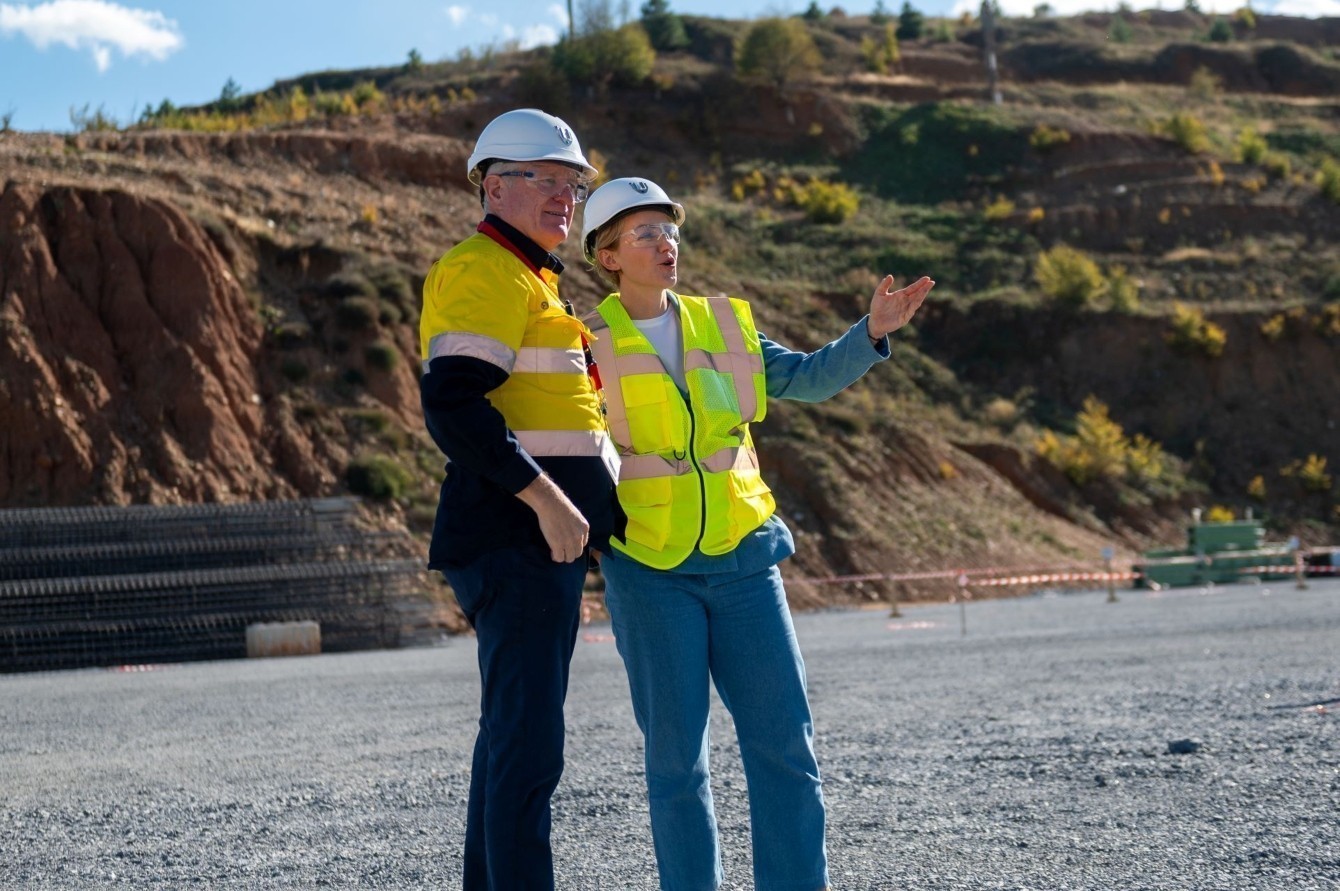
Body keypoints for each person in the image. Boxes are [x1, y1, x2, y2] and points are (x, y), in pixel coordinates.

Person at [579, 177, 934, 891]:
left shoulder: (722, 323)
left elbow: (804, 377)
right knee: (678, 764)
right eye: (645, 233)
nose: (666, 243)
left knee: (786, 750)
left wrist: (868, 336)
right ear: (609, 256)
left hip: (746, 562)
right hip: (649, 571)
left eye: (670, 230)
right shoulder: (586, 342)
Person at [418, 108, 616, 891]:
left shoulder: (531, 277)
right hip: (517, 538)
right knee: (530, 752)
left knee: (511, 743)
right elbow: (455, 406)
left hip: (531, 544)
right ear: (495, 185)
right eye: (546, 178)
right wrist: (548, 501)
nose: (565, 194)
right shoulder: (484, 270)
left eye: (572, 182)